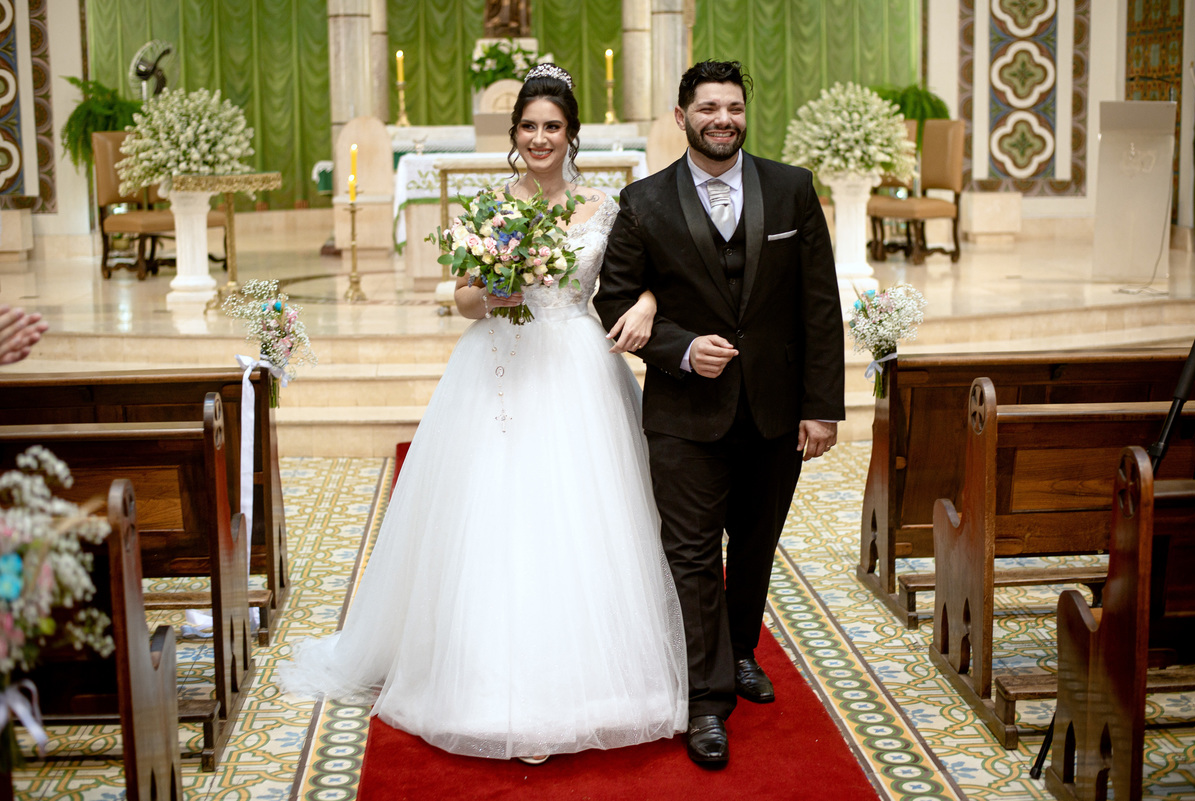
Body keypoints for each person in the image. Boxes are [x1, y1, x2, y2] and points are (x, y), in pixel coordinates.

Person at [279, 63, 687, 764]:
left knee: (585, 507)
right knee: (494, 508)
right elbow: (463, 297)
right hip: (497, 363)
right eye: (528, 126)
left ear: (572, 133)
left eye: (551, 126)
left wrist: (648, 302)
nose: (539, 138)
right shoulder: (491, 204)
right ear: (514, 133)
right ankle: (486, 677)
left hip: (578, 363)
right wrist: (494, 293)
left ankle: (592, 678)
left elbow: (637, 281)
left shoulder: (607, 205)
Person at [595, 60, 845, 769]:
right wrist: (677, 347)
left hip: (775, 409)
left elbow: (819, 304)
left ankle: (739, 652)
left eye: (733, 107)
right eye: (708, 108)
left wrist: (822, 407)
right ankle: (706, 703)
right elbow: (613, 300)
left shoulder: (792, 189)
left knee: (756, 546)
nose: (723, 119)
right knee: (694, 555)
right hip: (684, 414)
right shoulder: (643, 202)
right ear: (682, 117)